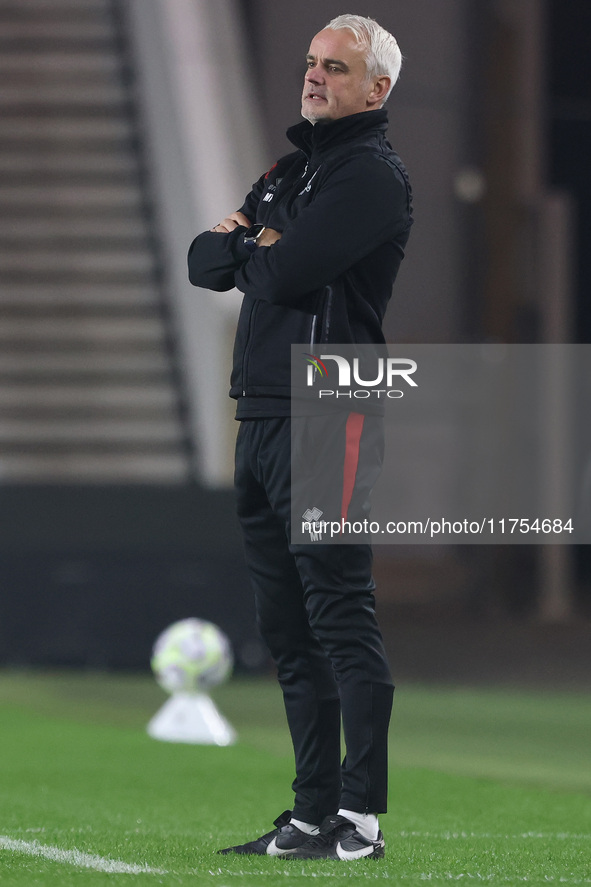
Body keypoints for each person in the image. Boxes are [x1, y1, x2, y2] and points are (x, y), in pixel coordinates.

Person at [188, 14, 413, 861]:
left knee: (338, 612)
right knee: (286, 627)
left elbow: (280, 272)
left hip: (331, 406)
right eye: (312, 63)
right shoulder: (290, 170)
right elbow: (199, 263)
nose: (315, 77)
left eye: (337, 67)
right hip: (262, 408)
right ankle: (312, 814)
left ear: (376, 89)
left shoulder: (372, 176)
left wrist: (251, 243)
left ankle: (361, 815)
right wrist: (258, 241)